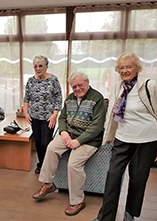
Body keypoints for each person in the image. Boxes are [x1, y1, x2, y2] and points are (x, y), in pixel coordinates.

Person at [92, 52, 157, 221]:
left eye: (129, 66)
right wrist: (108, 136)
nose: (125, 70)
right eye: (121, 67)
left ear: (137, 68)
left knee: (137, 179)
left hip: (147, 141)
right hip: (123, 138)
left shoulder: (150, 86)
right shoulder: (117, 87)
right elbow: (111, 115)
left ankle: (130, 214)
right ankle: (105, 217)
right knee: (112, 176)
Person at [32, 72, 107, 216]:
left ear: (87, 82)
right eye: (74, 86)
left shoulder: (97, 98)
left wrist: (78, 141)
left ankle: (78, 201)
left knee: (73, 164)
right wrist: (63, 132)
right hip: (69, 135)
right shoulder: (70, 98)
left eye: (80, 85)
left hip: (90, 140)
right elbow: (63, 118)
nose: (77, 89)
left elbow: (97, 126)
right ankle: (48, 184)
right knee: (52, 148)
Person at [23, 55, 62, 174]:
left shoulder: (53, 80)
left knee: (46, 143)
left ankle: (48, 166)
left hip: (48, 118)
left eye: (40, 66)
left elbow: (58, 98)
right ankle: (40, 164)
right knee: (38, 142)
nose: (38, 68)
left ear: (46, 66)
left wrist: (55, 115)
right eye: (35, 66)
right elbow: (26, 99)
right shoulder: (31, 81)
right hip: (34, 117)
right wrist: (26, 113)